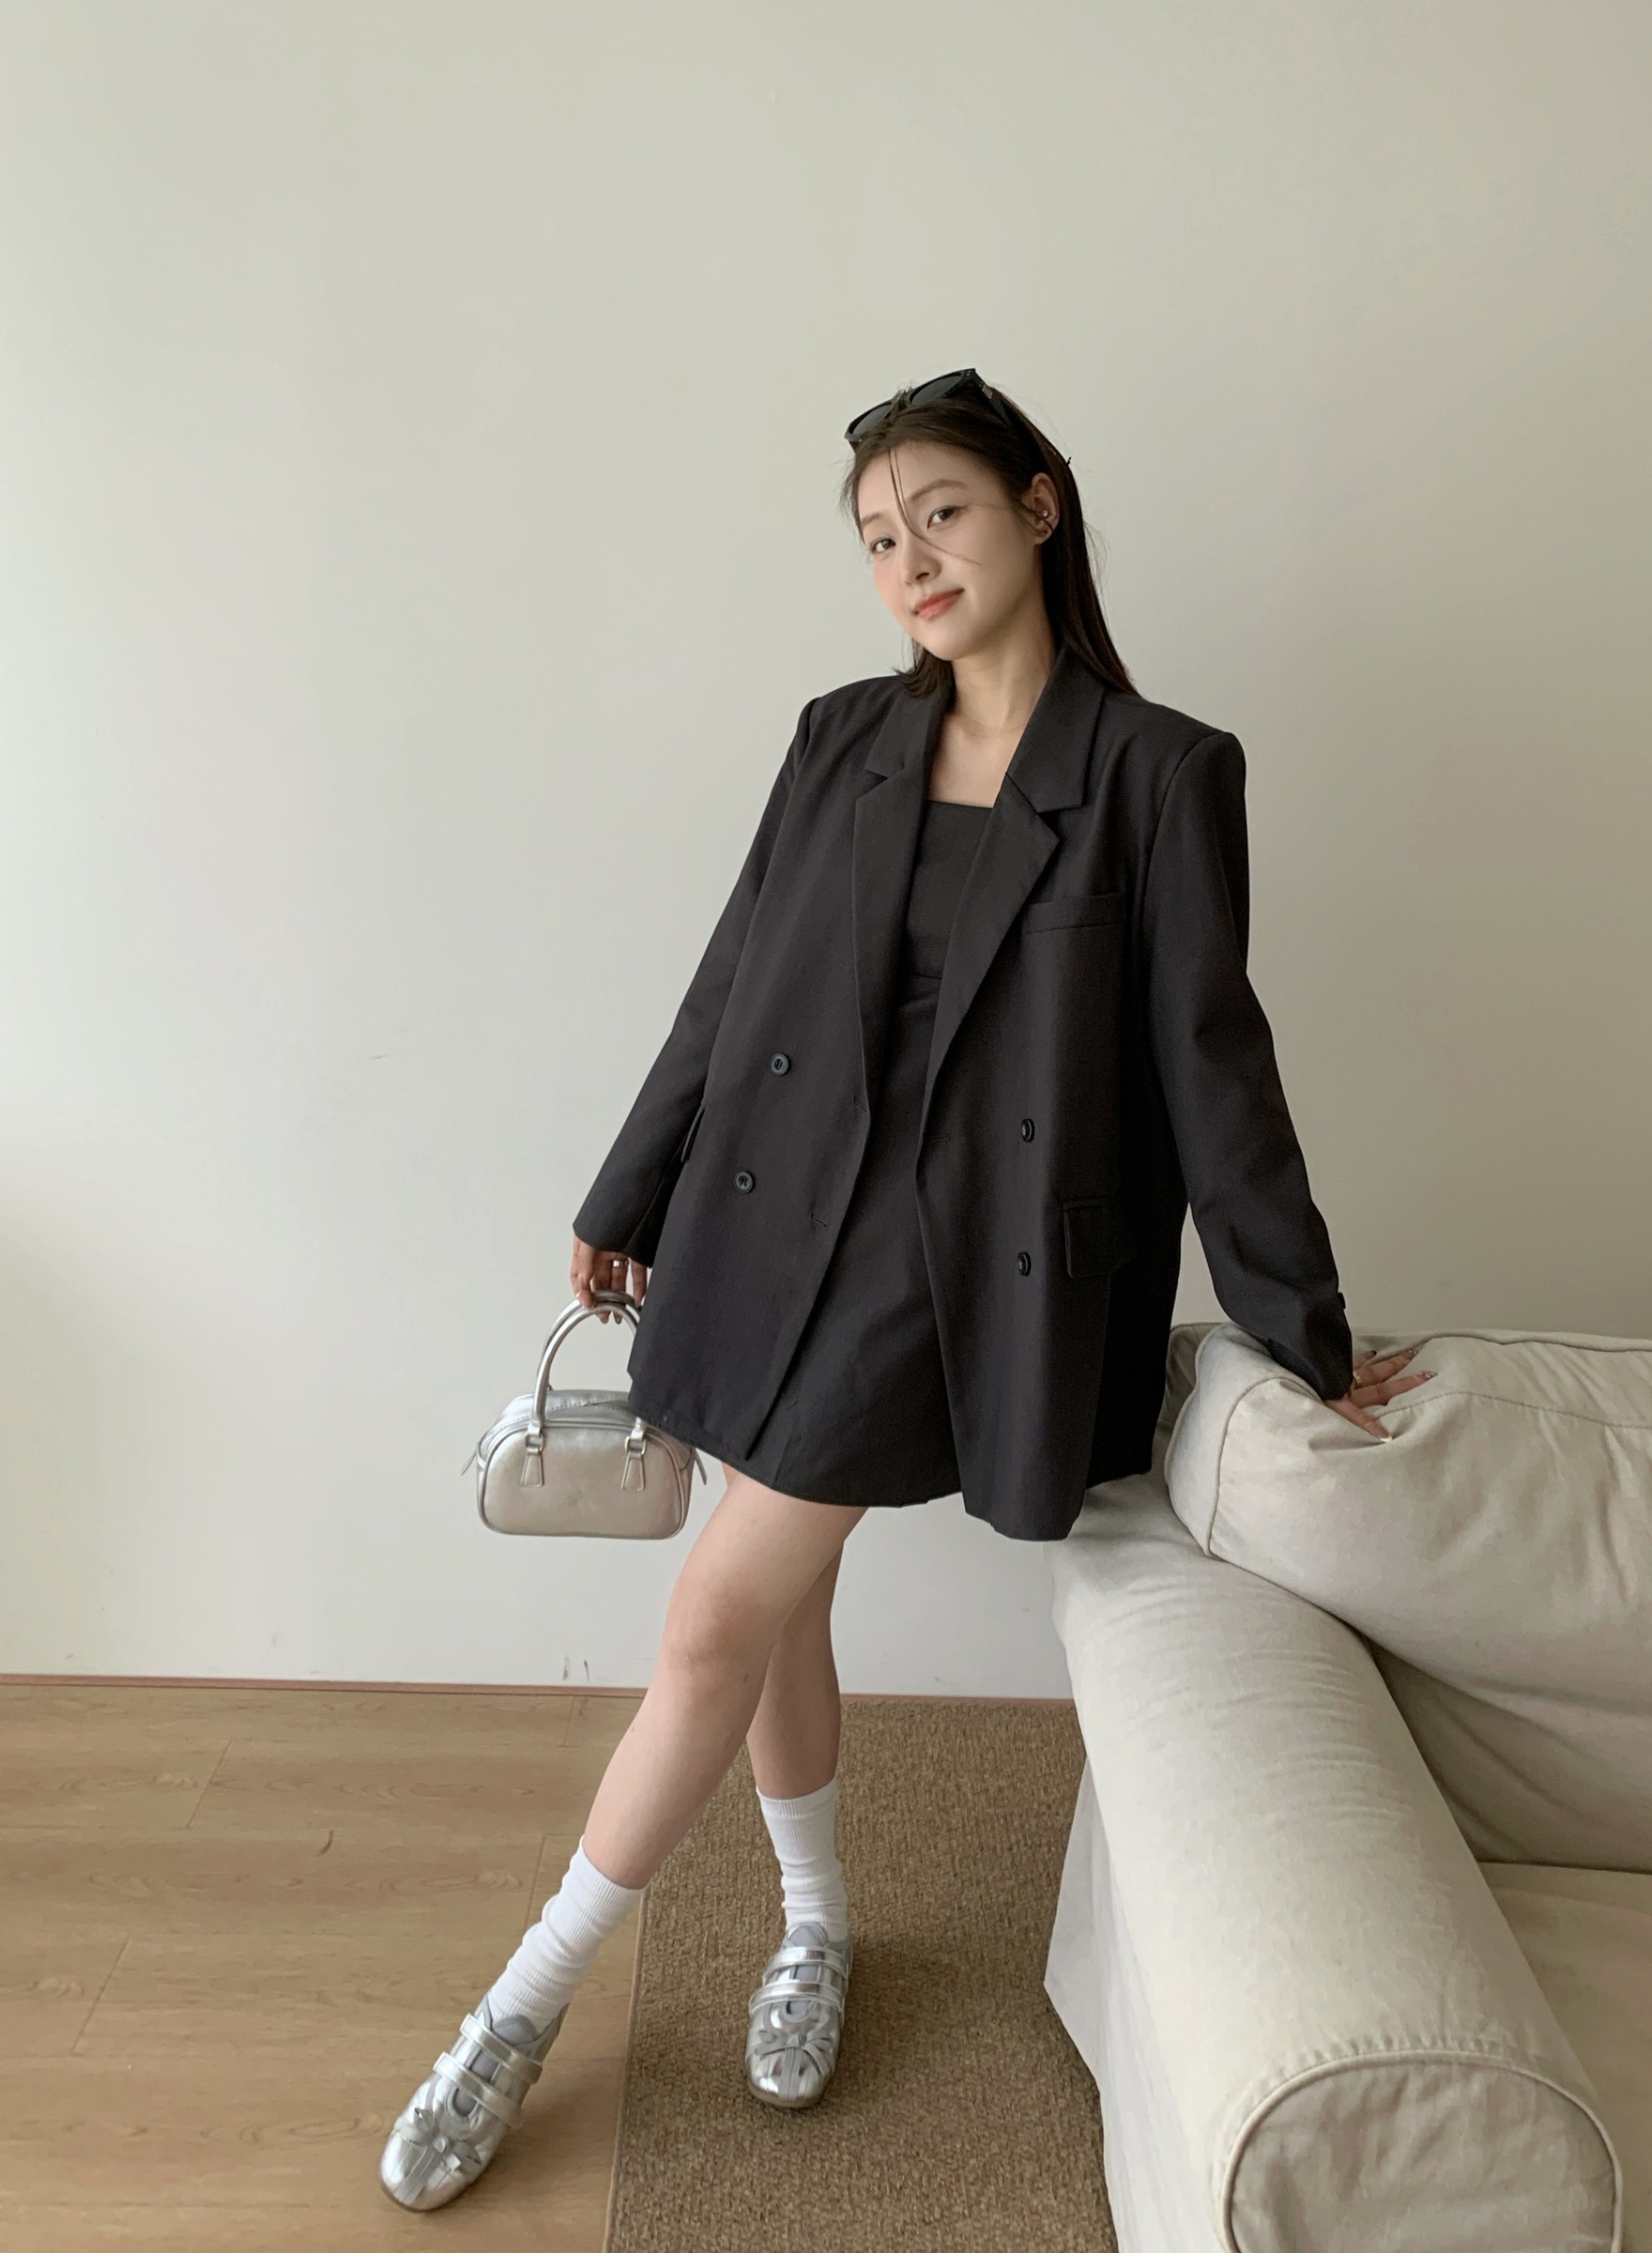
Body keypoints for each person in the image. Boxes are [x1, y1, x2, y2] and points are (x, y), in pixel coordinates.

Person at [378, 369, 1432, 2210]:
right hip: (759, 1227)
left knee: (709, 1623)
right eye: (877, 537)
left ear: (1038, 504)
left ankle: (521, 2006)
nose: (911, 559)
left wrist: (1306, 1330)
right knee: (776, 1613)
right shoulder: (839, 738)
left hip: (940, 1275)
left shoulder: (1161, 772)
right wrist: (630, 1185)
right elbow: (734, 976)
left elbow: (1213, 1067)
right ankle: (815, 1924)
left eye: (940, 511)